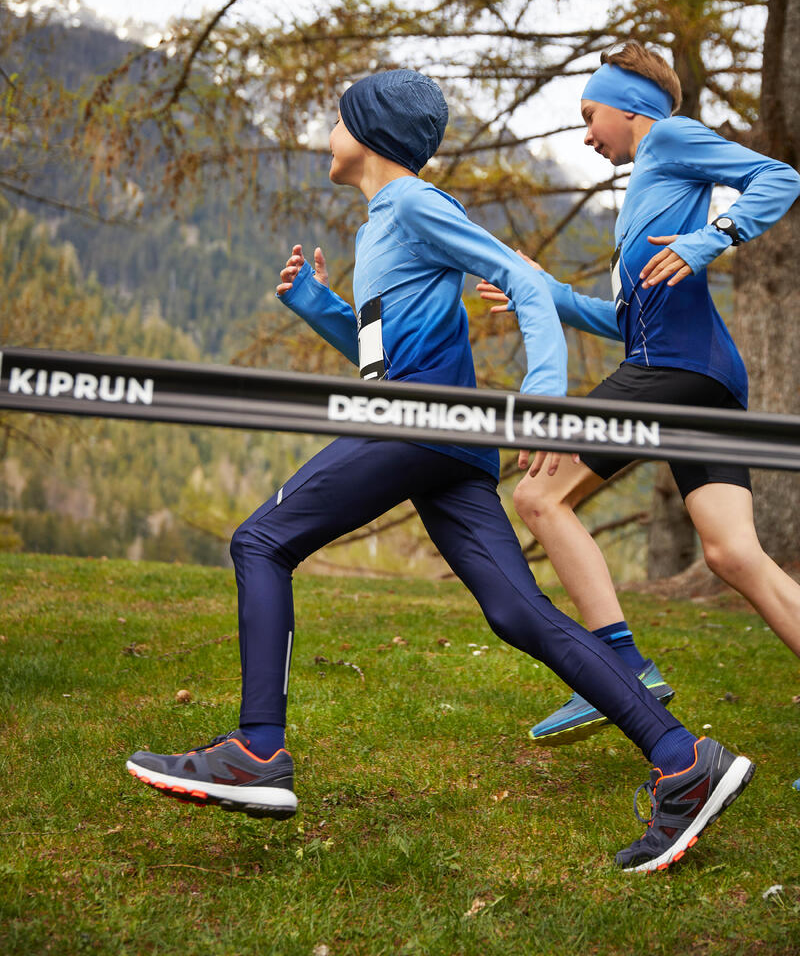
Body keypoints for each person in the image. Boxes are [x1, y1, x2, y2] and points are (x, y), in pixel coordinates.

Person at [127, 68, 755, 872]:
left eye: (338, 118)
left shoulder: (415, 204)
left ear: (371, 134)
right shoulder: (384, 222)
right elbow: (383, 358)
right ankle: (682, 759)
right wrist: (319, 305)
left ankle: (256, 752)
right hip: (439, 440)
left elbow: (525, 280)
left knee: (261, 541)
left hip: (422, 425)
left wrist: (543, 400)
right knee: (517, 612)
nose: (329, 132)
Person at [477, 41, 800, 751]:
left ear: (632, 109)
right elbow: (625, 318)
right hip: (702, 374)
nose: (588, 135)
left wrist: (708, 240)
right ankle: (622, 664)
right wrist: (544, 292)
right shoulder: (645, 192)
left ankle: (621, 665)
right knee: (733, 555)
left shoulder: (672, 139)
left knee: (538, 496)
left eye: (591, 116)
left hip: (677, 368)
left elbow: (778, 178)